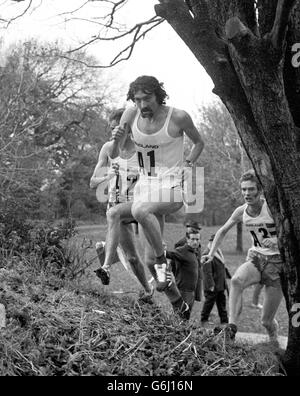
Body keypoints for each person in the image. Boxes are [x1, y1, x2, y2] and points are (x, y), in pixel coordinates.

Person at [111, 75, 204, 319]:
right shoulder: (130, 115)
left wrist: (188, 164)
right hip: (146, 189)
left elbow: (198, 143)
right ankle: (178, 303)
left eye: (147, 98)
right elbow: (115, 152)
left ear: (158, 96)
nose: (142, 105)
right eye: (138, 100)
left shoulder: (178, 117)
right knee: (147, 258)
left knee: (139, 212)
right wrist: (116, 138)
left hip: (172, 188)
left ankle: (164, 264)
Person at [202, 170, 283, 343]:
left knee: (265, 321)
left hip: (277, 263)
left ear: (259, 190)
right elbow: (222, 231)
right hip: (256, 257)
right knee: (236, 280)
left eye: (251, 189)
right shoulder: (241, 211)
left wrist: (276, 241)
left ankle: (274, 339)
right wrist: (210, 253)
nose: (247, 193)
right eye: (243, 189)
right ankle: (231, 327)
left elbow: (291, 232)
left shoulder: (271, 208)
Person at [90, 109, 153, 303]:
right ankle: (147, 290)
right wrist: (109, 174)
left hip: (137, 205)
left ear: (127, 129)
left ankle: (106, 266)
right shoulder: (109, 148)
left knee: (113, 213)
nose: (112, 133)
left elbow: (154, 181)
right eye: (110, 129)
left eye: (116, 129)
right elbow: (93, 182)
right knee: (133, 258)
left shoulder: (142, 150)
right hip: (117, 205)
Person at [166, 230, 202, 313]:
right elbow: (170, 254)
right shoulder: (182, 250)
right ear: (187, 239)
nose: (195, 242)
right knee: (180, 315)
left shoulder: (194, 251)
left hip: (191, 291)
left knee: (186, 316)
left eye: (197, 239)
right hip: (183, 291)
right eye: (192, 239)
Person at [201, 234, 229, 325]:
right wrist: (211, 285)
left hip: (220, 284)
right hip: (213, 285)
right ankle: (204, 319)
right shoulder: (207, 253)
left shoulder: (218, 251)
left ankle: (224, 320)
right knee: (209, 302)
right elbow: (207, 272)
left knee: (221, 303)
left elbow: (222, 266)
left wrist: (228, 276)